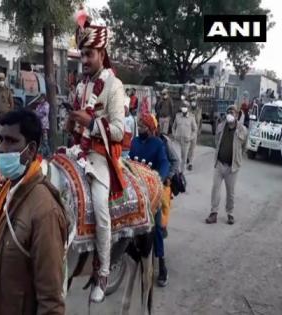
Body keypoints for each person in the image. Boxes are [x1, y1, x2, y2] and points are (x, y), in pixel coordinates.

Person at [0, 109, 67, 315]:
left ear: (31, 150)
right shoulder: (7, 194)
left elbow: (51, 302)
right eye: (1, 139)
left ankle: (101, 272)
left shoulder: (44, 211)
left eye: (12, 141)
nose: (2, 148)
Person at [66, 17, 125, 302]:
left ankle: (102, 271)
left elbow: (118, 132)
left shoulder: (114, 86)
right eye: (82, 54)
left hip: (100, 157)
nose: (85, 59)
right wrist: (72, 124)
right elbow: (76, 127)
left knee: (101, 209)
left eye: (89, 54)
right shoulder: (80, 86)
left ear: (102, 54)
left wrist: (89, 124)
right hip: (78, 151)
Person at [129, 113, 170, 287]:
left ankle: (161, 265)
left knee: (157, 228)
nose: (140, 129)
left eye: (143, 127)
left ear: (150, 128)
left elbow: (165, 164)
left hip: (153, 191)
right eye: (138, 126)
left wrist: (158, 180)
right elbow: (130, 162)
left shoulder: (158, 144)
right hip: (137, 189)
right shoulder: (135, 143)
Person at [205, 105, 248, 225]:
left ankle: (230, 213)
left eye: (232, 112)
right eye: (228, 112)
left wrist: (238, 158)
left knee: (230, 192)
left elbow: (245, 146)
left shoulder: (242, 130)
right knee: (215, 189)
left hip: (232, 167)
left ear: (236, 115)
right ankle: (213, 213)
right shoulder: (220, 126)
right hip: (219, 164)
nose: (230, 114)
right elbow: (216, 141)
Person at [172, 101, 197, 173]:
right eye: (183, 106)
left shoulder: (192, 117)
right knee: (176, 157)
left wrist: (190, 137)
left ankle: (181, 173)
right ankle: (175, 172)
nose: (184, 108)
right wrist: (174, 135)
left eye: (185, 107)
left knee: (184, 158)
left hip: (186, 141)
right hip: (177, 140)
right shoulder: (177, 116)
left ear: (188, 108)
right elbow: (173, 127)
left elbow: (195, 130)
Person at [0, 73, 14, 140]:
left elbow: (11, 103)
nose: (1, 81)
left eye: (2, 79)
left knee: (5, 131)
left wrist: (10, 112)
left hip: (6, 115)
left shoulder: (7, 90)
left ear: (4, 80)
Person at [187, 100, 202, 170]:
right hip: (188, 131)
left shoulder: (198, 110)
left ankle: (190, 163)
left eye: (194, 101)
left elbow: (198, 120)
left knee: (192, 148)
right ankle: (187, 157)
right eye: (192, 101)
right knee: (188, 147)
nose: (193, 103)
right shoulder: (188, 109)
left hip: (194, 131)